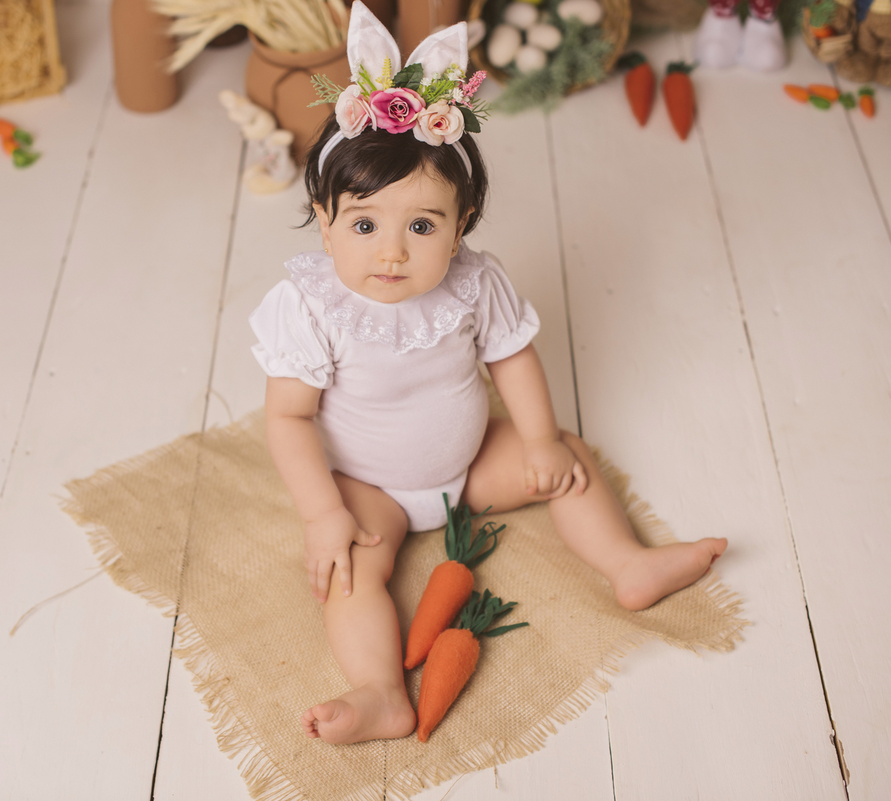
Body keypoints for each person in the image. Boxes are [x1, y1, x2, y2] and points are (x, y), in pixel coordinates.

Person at [249, 2, 727, 746]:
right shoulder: (311, 306)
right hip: (368, 486)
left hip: (468, 465)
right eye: (365, 224)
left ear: (462, 220)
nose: (393, 253)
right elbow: (287, 418)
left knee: (565, 458)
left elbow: (512, 355)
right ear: (324, 218)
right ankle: (382, 690)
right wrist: (322, 512)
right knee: (348, 572)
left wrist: (535, 438)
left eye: (423, 225)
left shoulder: (474, 282)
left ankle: (626, 561)